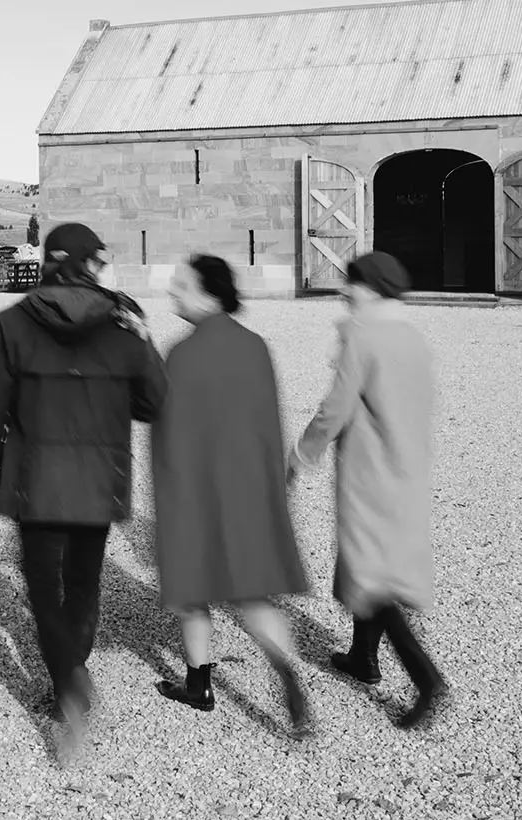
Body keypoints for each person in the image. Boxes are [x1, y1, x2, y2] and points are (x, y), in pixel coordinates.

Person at [0, 221, 167, 745]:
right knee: (83, 581)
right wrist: (143, 341)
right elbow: (154, 404)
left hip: (36, 479)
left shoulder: (15, 323)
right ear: (88, 263)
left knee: (42, 588)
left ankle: (70, 686)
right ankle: (71, 676)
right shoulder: (123, 324)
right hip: (99, 479)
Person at [149, 254, 313, 734]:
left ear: (208, 292)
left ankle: (197, 683)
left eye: (181, 285)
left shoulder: (181, 353)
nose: (173, 293)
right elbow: (267, 425)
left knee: (192, 591)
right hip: (246, 492)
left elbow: (165, 430)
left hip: (195, 494)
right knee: (251, 593)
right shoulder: (256, 347)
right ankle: (284, 669)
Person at [290, 249, 449, 729]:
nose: (344, 291)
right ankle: (362, 656)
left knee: (371, 576)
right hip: (408, 468)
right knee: (372, 561)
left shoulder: (363, 336)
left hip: (370, 469)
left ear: (371, 289)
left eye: (352, 284)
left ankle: (426, 678)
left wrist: (300, 456)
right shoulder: (413, 337)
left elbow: (334, 409)